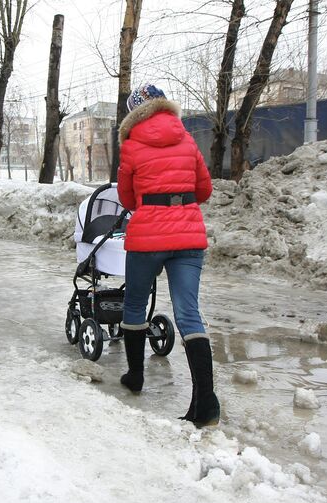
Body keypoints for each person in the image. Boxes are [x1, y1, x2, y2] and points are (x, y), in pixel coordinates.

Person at [116, 83, 219, 428]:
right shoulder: (187, 140)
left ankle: (135, 375)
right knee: (190, 315)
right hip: (189, 235)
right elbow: (204, 189)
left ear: (134, 112)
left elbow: (128, 200)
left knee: (134, 304)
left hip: (147, 238)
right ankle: (206, 403)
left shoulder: (131, 145)